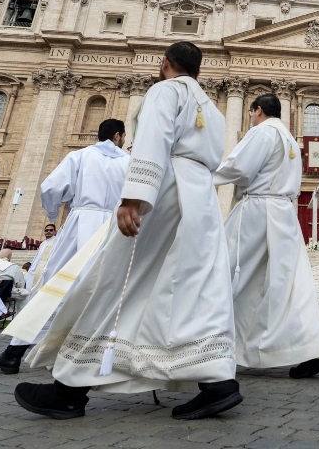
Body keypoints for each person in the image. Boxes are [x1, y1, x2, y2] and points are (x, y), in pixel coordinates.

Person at [14, 41, 240, 420]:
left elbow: (152, 143)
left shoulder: (164, 91)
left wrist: (134, 196)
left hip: (165, 192)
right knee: (188, 288)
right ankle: (217, 380)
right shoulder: (213, 110)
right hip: (200, 199)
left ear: (165, 62)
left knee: (117, 280)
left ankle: (69, 389)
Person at [0, 120, 130, 375]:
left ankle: (14, 353)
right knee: (109, 291)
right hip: (115, 228)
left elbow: (51, 188)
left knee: (54, 289)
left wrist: (53, 212)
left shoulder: (80, 156)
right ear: (117, 136)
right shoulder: (128, 162)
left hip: (80, 225)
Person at [213, 93, 319, 378]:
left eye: (251, 112)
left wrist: (204, 175)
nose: (250, 118)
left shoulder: (263, 132)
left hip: (258, 211)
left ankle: (216, 344)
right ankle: (315, 347)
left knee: (229, 272)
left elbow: (239, 168)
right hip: (283, 213)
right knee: (289, 283)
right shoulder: (290, 138)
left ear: (258, 111)